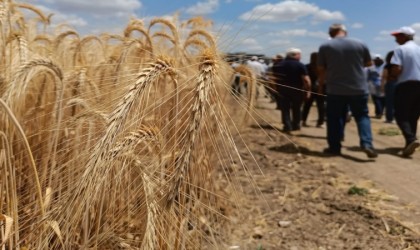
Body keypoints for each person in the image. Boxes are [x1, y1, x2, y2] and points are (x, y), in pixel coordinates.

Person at [317, 23, 377, 158]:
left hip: (335, 89)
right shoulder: (360, 43)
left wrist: (321, 86)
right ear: (345, 32)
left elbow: (321, 69)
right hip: (358, 88)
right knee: (362, 116)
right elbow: (369, 64)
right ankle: (367, 144)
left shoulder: (325, 46)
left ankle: (334, 147)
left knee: (334, 118)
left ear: (330, 33)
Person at [390, 26, 420, 157]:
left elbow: (397, 68)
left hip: (407, 85)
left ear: (405, 36)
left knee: (400, 114)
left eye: (398, 36)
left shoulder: (400, 49)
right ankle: (409, 142)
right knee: (413, 115)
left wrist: (392, 76)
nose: (396, 39)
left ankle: (411, 139)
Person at [272, 48, 311, 132]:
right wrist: (308, 91)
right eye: (299, 55)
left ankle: (287, 126)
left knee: (285, 108)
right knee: (296, 108)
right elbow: (306, 80)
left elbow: (274, 78)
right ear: (295, 55)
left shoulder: (278, 65)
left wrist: (275, 88)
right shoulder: (300, 65)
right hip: (297, 89)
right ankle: (296, 125)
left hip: (282, 89)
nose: (300, 57)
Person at [301, 52, 325, 128]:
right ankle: (320, 122)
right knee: (321, 106)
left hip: (310, 88)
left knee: (307, 105)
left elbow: (304, 78)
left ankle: (303, 120)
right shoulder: (323, 67)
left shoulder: (307, 66)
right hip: (320, 88)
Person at [380, 51, 398, 123]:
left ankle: (390, 118)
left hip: (390, 83)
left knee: (389, 102)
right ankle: (396, 117)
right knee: (397, 102)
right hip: (399, 83)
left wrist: (382, 85)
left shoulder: (387, 66)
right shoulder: (399, 65)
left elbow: (384, 76)